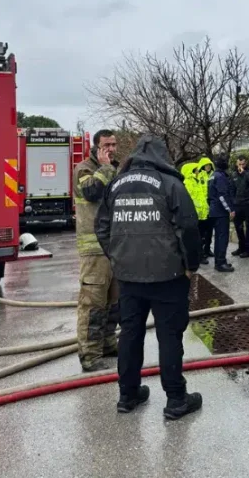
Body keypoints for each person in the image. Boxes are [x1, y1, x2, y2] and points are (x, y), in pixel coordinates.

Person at [95, 134, 203, 419]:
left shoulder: (115, 186)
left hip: (128, 277)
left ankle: (127, 395)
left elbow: (102, 227)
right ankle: (176, 400)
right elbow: (189, 228)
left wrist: (117, 257)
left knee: (130, 333)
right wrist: (191, 265)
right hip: (168, 276)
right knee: (169, 336)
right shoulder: (171, 184)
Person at [73, 129, 121, 372]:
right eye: (106, 145)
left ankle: (108, 344)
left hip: (114, 247)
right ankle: (90, 356)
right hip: (94, 251)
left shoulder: (115, 168)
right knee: (93, 304)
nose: (111, 149)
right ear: (96, 147)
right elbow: (91, 192)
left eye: (114, 144)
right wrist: (105, 168)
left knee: (114, 301)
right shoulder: (84, 169)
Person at [207, 155, 236, 272]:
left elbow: (209, 197)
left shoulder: (212, 176)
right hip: (220, 212)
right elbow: (222, 195)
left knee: (219, 237)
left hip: (214, 211)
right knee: (222, 238)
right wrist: (230, 209)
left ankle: (219, 262)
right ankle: (220, 263)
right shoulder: (220, 177)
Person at [232, 155, 249, 258]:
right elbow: (232, 189)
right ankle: (241, 247)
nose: (241, 166)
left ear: (246, 163)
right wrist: (232, 204)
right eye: (239, 164)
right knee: (238, 227)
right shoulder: (234, 174)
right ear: (236, 163)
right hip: (238, 205)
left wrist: (244, 172)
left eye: (243, 164)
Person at [194, 157, 214, 258]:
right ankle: (200, 251)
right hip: (202, 206)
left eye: (209, 165)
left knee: (210, 230)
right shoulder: (199, 175)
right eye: (206, 165)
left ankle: (207, 249)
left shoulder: (212, 175)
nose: (208, 167)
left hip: (210, 204)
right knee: (201, 231)